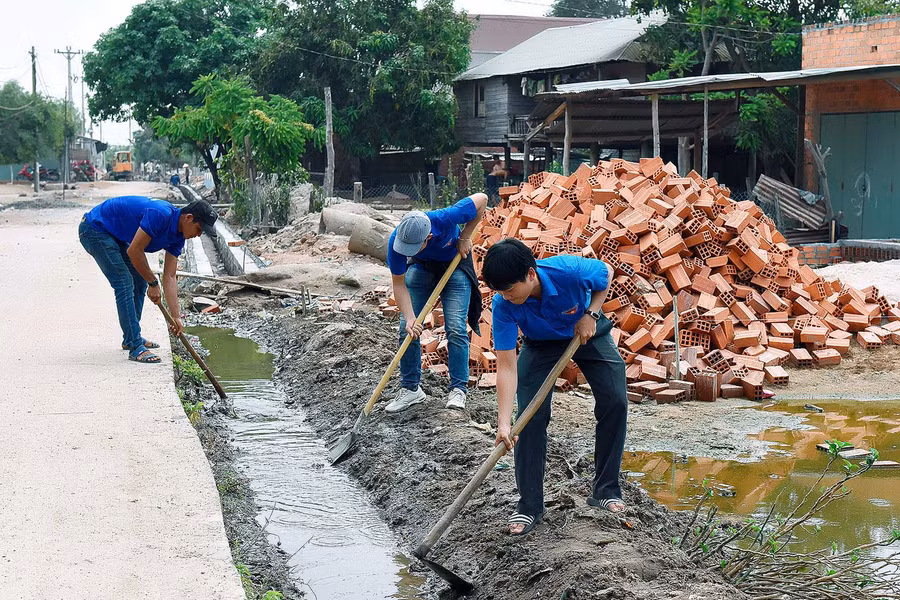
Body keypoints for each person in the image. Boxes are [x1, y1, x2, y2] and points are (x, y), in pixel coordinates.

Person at [481, 238, 628, 536]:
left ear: (531, 275)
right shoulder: (503, 305)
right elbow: (507, 366)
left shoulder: (569, 270)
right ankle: (529, 506)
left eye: (511, 289)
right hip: (541, 344)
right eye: (500, 292)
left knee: (615, 400)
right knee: (529, 419)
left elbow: (606, 273)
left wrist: (591, 314)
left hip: (586, 333)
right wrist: (504, 423)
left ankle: (605, 490)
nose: (506, 297)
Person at [78, 196, 218, 363]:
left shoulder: (179, 237)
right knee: (124, 282)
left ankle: (131, 338)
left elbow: (170, 276)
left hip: (114, 235)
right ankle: (135, 346)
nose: (199, 235)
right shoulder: (160, 214)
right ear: (188, 218)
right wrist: (153, 282)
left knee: (139, 280)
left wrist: (176, 316)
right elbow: (134, 251)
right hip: (94, 229)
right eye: (199, 229)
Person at [386, 193, 488, 412]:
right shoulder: (395, 242)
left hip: (455, 265)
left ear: (428, 238)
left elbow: (483, 199)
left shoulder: (448, 217)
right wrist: (412, 318)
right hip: (422, 267)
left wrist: (465, 236)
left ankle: (458, 389)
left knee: (456, 328)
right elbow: (399, 284)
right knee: (407, 328)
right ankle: (411, 390)